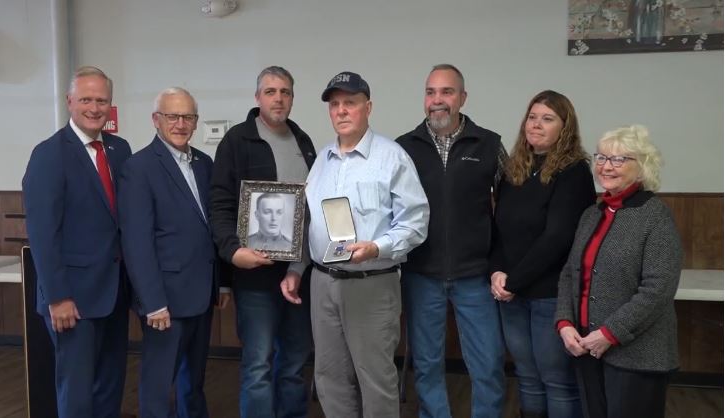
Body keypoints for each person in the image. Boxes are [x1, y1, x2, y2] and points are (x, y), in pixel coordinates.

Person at [305, 71, 429, 418]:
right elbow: (310, 222)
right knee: (329, 376)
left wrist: (377, 247)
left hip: (371, 283)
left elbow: (416, 223)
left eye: (351, 103)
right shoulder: (321, 160)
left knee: (375, 378)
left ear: (368, 107)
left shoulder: (393, 157)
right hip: (323, 282)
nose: (341, 111)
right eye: (335, 104)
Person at [395, 64, 506, 418]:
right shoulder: (404, 148)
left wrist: (501, 263)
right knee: (427, 365)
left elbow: (511, 208)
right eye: (430, 92)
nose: (437, 100)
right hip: (420, 274)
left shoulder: (489, 144)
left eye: (446, 92)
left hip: (474, 274)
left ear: (462, 97)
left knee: (487, 364)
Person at [22, 66, 131, 418]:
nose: (94, 107)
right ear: (70, 102)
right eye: (86, 99)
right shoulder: (49, 154)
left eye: (102, 100)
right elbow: (42, 233)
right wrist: (57, 297)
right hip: (72, 300)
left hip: (114, 293)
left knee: (110, 386)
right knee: (78, 392)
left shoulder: (119, 149)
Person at [210, 66, 316, 418]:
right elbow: (221, 203)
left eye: (285, 92)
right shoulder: (237, 141)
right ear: (258, 98)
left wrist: (301, 266)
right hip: (254, 276)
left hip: (300, 275)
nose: (279, 98)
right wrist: (233, 251)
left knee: (295, 363)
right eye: (271, 91)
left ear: (292, 98)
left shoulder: (304, 141)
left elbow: (311, 210)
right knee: (258, 366)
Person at [555, 125, 682, 418]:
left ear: (641, 167)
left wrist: (610, 333)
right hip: (586, 347)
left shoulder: (655, 216)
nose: (606, 166)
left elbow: (658, 288)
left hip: (636, 355)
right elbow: (570, 274)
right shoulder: (592, 214)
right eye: (601, 158)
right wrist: (565, 323)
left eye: (619, 159)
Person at [118, 87, 228, 418]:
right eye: (172, 116)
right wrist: (153, 303)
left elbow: (211, 228)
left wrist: (220, 282)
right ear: (156, 120)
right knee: (158, 382)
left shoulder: (204, 163)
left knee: (192, 381)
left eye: (188, 117)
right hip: (164, 300)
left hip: (201, 293)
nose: (181, 123)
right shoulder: (138, 168)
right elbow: (136, 242)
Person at [490, 90, 596, 418]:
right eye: (532, 117)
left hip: (550, 295)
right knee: (527, 375)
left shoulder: (574, 171)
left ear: (564, 128)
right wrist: (496, 272)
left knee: (555, 378)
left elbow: (558, 237)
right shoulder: (515, 169)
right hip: (511, 294)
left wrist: (514, 281)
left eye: (547, 119)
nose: (536, 124)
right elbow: (496, 228)